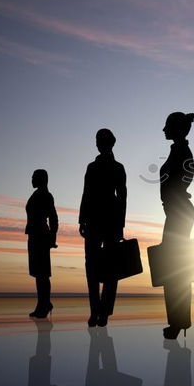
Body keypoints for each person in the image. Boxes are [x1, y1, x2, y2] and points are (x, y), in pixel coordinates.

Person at [79, 128, 127, 327]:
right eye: (97, 140)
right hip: (95, 221)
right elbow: (86, 193)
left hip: (109, 221)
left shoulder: (118, 167)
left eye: (100, 140)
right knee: (92, 266)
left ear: (107, 143)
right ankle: (96, 310)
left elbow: (122, 197)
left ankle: (103, 311)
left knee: (110, 268)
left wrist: (120, 225)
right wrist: (82, 219)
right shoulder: (92, 167)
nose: (98, 143)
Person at [159, 112, 194, 339]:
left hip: (179, 212)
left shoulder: (182, 151)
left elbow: (186, 174)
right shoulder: (178, 150)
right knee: (175, 267)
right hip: (177, 210)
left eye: (167, 126)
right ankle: (178, 320)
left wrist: (177, 194)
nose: (163, 130)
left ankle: (178, 321)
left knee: (175, 269)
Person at [25, 169, 58, 318]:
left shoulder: (46, 195)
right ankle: (43, 304)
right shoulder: (38, 194)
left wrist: (52, 238)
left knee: (42, 274)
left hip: (41, 236)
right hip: (34, 235)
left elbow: (53, 218)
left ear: (41, 179)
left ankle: (44, 305)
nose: (31, 179)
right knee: (38, 273)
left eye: (34, 177)